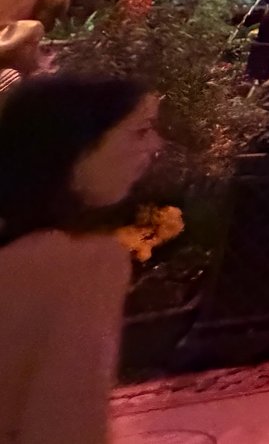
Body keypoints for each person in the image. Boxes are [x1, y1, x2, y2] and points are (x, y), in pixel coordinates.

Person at [0, 74, 163, 444]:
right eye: (140, 131)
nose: (155, 145)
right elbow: (66, 423)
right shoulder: (85, 264)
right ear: (77, 148)